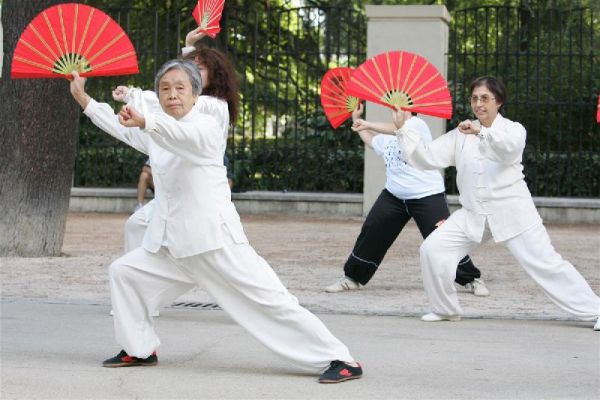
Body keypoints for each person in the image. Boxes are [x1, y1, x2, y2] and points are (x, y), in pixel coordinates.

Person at [69, 59, 363, 382]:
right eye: (164, 89)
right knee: (124, 273)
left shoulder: (206, 126)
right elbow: (119, 126)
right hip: (172, 245)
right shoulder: (154, 129)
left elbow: (185, 137)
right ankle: (139, 349)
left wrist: (147, 121)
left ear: (196, 94)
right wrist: (85, 100)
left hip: (215, 241)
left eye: (180, 88)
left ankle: (340, 358)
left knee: (271, 301)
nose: (172, 95)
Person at [353, 76, 600, 329]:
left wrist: (481, 132)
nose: (479, 104)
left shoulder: (514, 130)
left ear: (499, 102)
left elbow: (509, 150)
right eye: (474, 98)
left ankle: (595, 310)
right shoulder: (460, 135)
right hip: (473, 214)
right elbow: (425, 158)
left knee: (547, 265)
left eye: (485, 98)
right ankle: (445, 309)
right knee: (433, 249)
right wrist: (403, 130)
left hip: (514, 213)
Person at [326, 103, 489, 297]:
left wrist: (367, 122)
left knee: (443, 240)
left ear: (411, 111)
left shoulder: (417, 125)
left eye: (402, 109)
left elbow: (397, 128)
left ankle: (471, 279)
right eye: (394, 109)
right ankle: (353, 278)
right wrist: (357, 121)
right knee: (372, 232)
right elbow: (371, 141)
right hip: (394, 196)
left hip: (426, 195)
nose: (397, 113)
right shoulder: (389, 138)